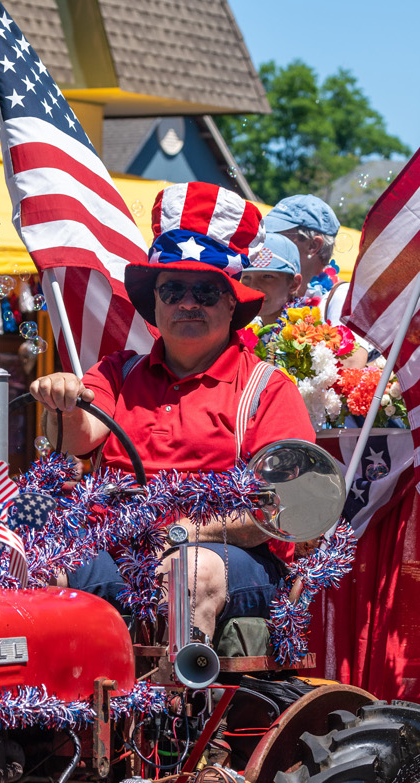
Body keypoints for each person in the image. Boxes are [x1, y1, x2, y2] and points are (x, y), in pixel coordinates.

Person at [29, 181, 314, 640]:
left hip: (228, 561)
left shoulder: (268, 388)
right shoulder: (118, 371)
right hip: (119, 550)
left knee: (187, 570)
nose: (187, 303)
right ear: (155, 302)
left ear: (230, 301)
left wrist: (188, 532)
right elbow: (74, 439)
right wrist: (61, 399)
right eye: (173, 289)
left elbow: (285, 505)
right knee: (32, 556)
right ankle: (40, 707)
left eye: (204, 292)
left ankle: (175, 706)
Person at [266, 194, 343, 309]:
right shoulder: (270, 296)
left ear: (313, 245)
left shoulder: (341, 300)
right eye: (267, 234)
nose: (269, 241)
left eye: (279, 235)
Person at [240, 232, 304, 329]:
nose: (253, 287)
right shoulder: (239, 331)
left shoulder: (313, 339)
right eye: (246, 277)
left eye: (267, 276)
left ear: (294, 284)